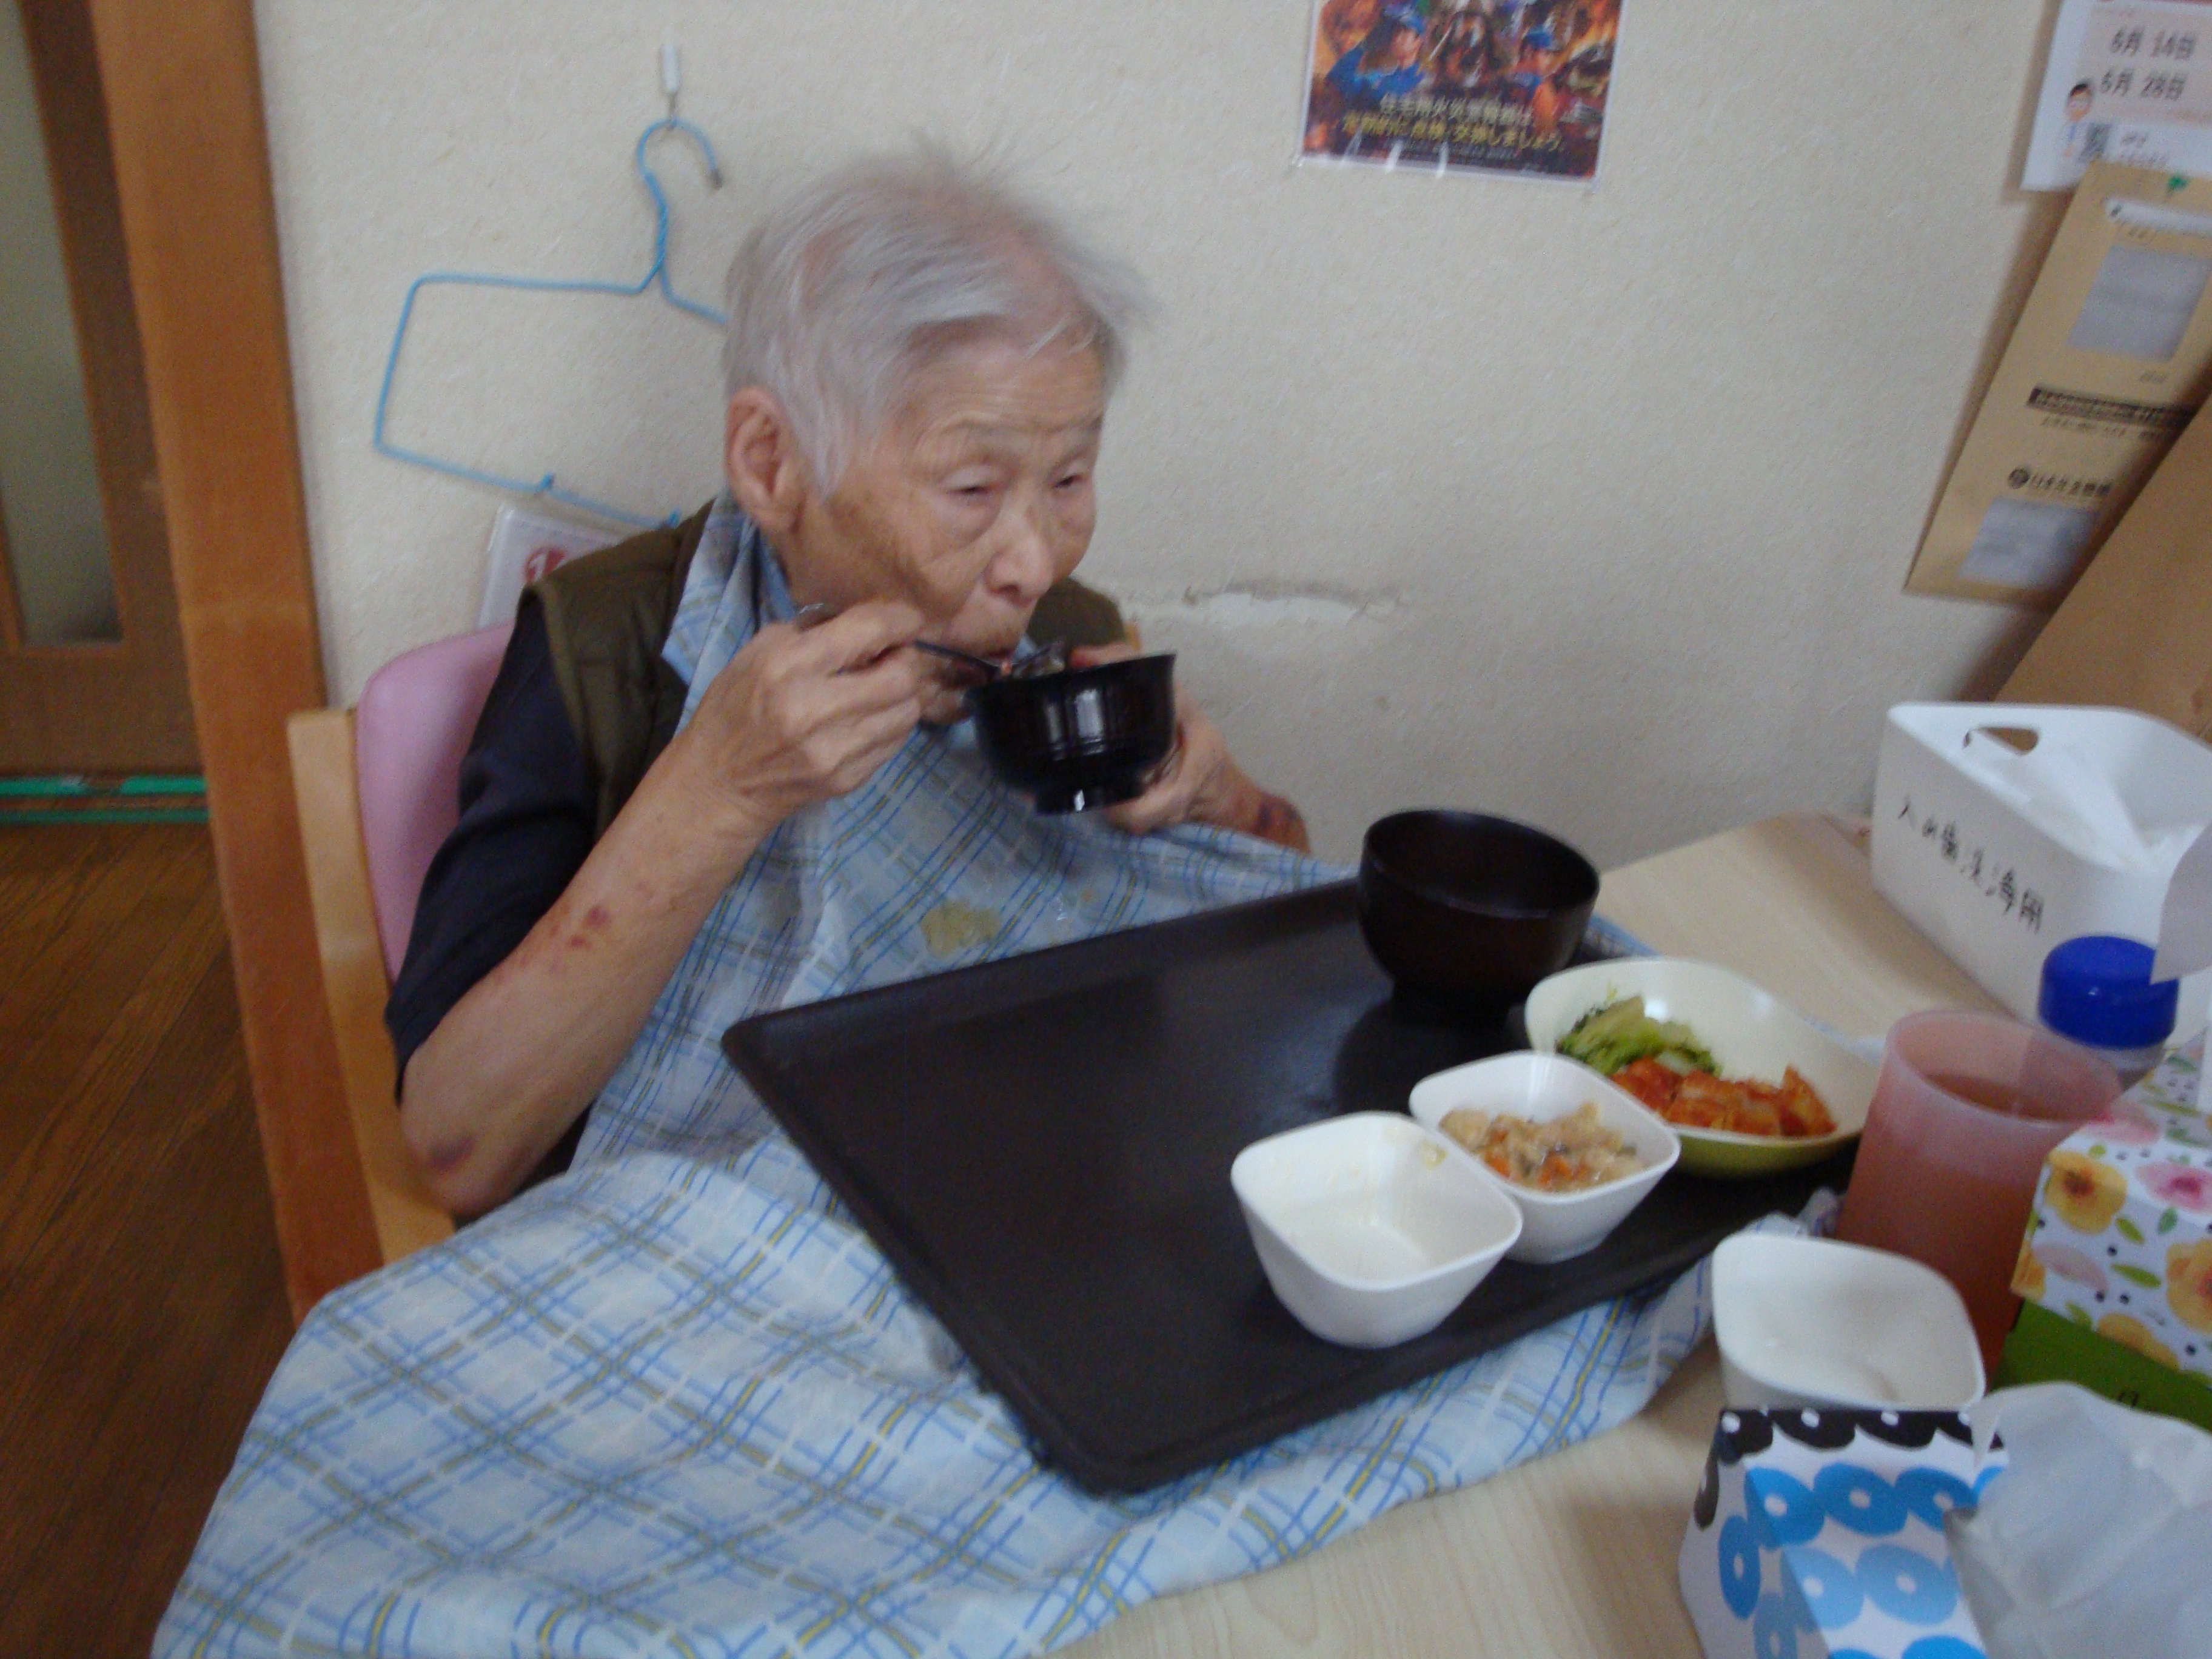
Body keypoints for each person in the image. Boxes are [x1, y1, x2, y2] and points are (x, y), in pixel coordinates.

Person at [387, 150, 1318, 1216]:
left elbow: (1281, 902)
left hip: (1052, 1175)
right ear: (771, 463)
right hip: (727, 1211)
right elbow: (456, 1144)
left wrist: (1217, 796)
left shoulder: (1070, 635)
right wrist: (719, 787)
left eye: (1069, 477)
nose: (1033, 563)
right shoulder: (607, 650)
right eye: (972, 488)